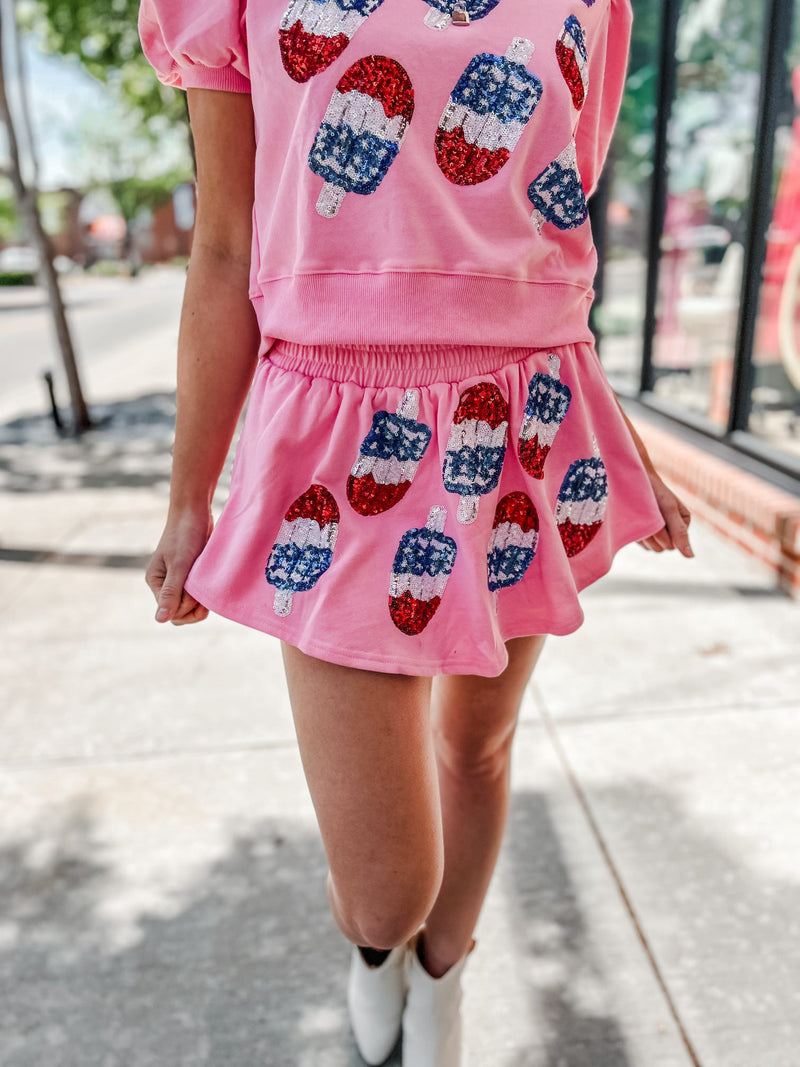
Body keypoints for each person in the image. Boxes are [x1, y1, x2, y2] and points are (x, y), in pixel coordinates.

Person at [139, 0, 693, 1062]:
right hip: (337, 428)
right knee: (382, 889)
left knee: (476, 744)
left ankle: (445, 973)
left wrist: (623, 443)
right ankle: (383, 949)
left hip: (526, 416)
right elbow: (221, 246)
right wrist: (187, 494)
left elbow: (548, 244)